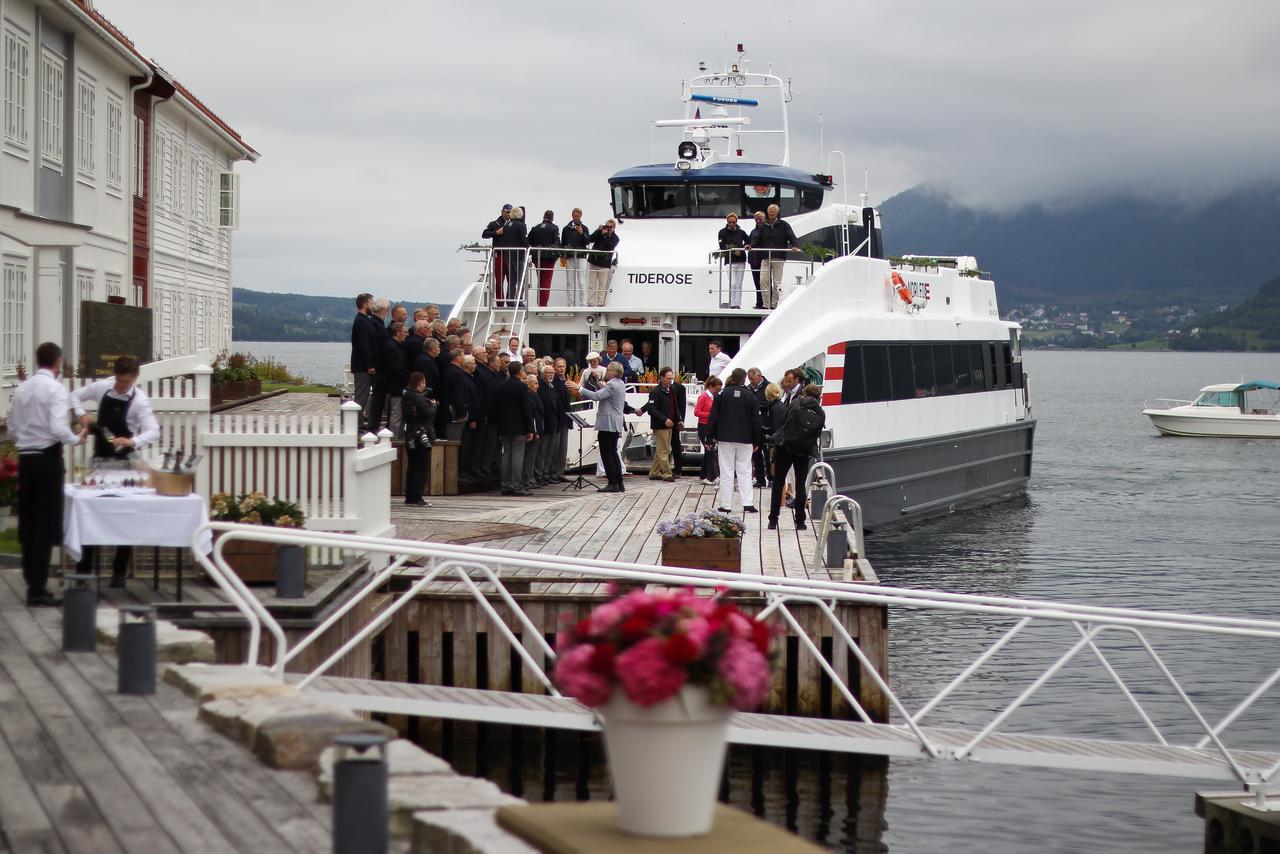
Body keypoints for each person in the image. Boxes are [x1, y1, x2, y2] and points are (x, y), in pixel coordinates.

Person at [69, 355, 160, 587]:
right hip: (100, 459)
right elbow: (73, 396)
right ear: (115, 376)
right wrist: (82, 415)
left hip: (125, 463)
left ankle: (119, 572)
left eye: (126, 383)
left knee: (126, 517)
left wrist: (131, 441)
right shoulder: (102, 388)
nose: (121, 386)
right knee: (92, 513)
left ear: (135, 379)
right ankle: (84, 569)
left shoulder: (140, 401)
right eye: (119, 381)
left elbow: (154, 432)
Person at [10, 342, 88, 606]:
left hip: (26, 458)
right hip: (46, 458)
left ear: (37, 360)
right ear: (57, 362)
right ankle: (38, 588)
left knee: (29, 520)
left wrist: (26, 438)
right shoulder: (55, 389)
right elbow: (57, 426)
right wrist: (75, 439)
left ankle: (32, 580)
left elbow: (12, 428)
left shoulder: (22, 388)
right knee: (45, 521)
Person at [768, 384, 826, 530]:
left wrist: (775, 440)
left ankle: (773, 519)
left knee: (778, 482)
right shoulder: (820, 412)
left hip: (786, 447)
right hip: (804, 451)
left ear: (805, 393)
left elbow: (784, 423)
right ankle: (800, 521)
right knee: (801, 485)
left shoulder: (795, 403)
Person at [707, 367, 762, 513]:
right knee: (744, 470)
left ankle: (726, 505)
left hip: (725, 438)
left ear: (732, 376)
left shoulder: (721, 395)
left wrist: (709, 437)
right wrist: (757, 441)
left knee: (726, 471)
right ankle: (748, 503)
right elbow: (756, 420)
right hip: (745, 439)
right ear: (744, 379)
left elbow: (713, 417)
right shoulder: (750, 396)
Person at [567, 362, 626, 492]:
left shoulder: (612, 385)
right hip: (615, 423)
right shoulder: (620, 383)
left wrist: (579, 387)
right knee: (613, 453)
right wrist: (600, 384)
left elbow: (596, 396)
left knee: (607, 453)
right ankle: (619, 482)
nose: (606, 372)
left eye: (608, 370)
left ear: (614, 372)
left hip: (608, 423)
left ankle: (612, 482)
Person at [638, 367, 685, 481]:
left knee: (663, 449)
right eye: (668, 378)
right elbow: (652, 409)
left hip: (670, 424)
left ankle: (654, 472)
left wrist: (679, 419)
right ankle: (667, 473)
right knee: (663, 450)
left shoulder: (671, 390)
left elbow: (676, 406)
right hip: (660, 425)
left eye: (671, 379)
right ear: (662, 378)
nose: (670, 381)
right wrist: (664, 419)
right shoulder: (656, 392)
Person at [495, 363, 534, 495]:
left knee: (506, 454)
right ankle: (517, 485)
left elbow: (498, 408)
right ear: (520, 371)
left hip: (504, 425)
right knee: (517, 456)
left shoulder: (501, 386)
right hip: (519, 426)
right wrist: (530, 428)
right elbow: (526, 408)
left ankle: (505, 485)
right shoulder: (522, 386)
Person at [753, 203, 801, 309]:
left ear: (777, 213)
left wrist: (795, 246)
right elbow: (756, 239)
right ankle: (766, 304)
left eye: (773, 211)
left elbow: (791, 236)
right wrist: (750, 246)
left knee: (777, 282)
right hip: (765, 257)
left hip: (778, 257)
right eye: (769, 211)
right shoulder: (763, 226)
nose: (771, 213)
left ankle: (774, 304)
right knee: (763, 280)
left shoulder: (784, 225)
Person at [401, 372, 437, 506]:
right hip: (421, 434)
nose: (425, 384)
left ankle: (409, 496)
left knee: (412, 467)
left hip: (409, 433)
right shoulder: (420, 398)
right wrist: (433, 406)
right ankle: (417, 497)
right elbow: (428, 414)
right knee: (421, 467)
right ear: (420, 383)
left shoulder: (405, 395)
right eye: (424, 382)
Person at [373, 321, 409, 437]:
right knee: (396, 413)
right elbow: (396, 368)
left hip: (393, 383)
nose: (407, 334)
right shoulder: (392, 347)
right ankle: (394, 438)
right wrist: (406, 381)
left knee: (395, 412)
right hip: (394, 384)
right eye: (404, 332)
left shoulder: (394, 345)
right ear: (398, 333)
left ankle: (396, 435)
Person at [350, 293, 377, 417]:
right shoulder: (361, 321)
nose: (373, 306)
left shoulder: (365, 320)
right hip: (362, 366)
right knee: (361, 396)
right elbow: (363, 345)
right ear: (365, 304)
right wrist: (370, 365)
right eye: (371, 303)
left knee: (364, 396)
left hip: (364, 365)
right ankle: (356, 425)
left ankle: (359, 423)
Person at [482, 204, 514, 303]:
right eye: (507, 212)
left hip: (511, 255)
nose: (508, 214)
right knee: (499, 281)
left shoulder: (515, 224)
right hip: (499, 255)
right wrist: (496, 233)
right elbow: (484, 234)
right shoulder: (495, 224)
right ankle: (500, 302)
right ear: (502, 211)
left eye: (510, 212)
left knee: (511, 281)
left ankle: (511, 301)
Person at [458, 355, 484, 479]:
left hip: (476, 416)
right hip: (470, 418)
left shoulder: (470, 378)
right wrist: (471, 419)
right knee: (467, 445)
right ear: (466, 364)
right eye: (473, 363)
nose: (475, 365)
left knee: (473, 445)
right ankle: (464, 470)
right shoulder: (463, 378)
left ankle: (471, 469)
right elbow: (466, 399)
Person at [529, 209, 561, 308]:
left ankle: (540, 302)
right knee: (546, 283)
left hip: (536, 258)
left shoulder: (535, 228)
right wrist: (556, 256)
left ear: (544, 217)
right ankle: (543, 305)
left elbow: (528, 240)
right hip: (548, 258)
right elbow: (557, 244)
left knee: (540, 282)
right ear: (552, 218)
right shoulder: (554, 228)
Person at [717, 212, 749, 309]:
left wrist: (745, 246)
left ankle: (737, 305)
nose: (731, 224)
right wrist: (734, 249)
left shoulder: (741, 232)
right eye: (730, 222)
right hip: (729, 261)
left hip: (741, 260)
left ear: (736, 222)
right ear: (727, 222)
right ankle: (732, 303)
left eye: (733, 222)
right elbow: (722, 246)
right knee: (733, 283)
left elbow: (748, 241)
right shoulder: (722, 232)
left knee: (739, 284)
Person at [693, 374, 721, 486]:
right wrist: (711, 415)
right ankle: (713, 476)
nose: (717, 392)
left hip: (710, 426)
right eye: (716, 390)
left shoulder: (714, 397)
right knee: (709, 450)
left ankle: (703, 475)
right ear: (711, 386)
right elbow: (697, 412)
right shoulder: (704, 397)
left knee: (708, 451)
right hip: (703, 426)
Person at [536, 364, 562, 485]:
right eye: (549, 373)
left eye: (552, 373)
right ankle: (539, 475)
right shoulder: (540, 386)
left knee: (550, 451)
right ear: (542, 374)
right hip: (545, 424)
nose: (552, 375)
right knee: (542, 451)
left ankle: (546, 474)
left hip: (553, 424)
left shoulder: (552, 387)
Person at [585, 219, 620, 307]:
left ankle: (600, 304)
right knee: (591, 285)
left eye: (610, 227)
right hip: (594, 262)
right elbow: (590, 239)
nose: (608, 228)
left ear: (614, 228)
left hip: (604, 265)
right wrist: (598, 230)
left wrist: (605, 235)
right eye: (606, 226)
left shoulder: (615, 238)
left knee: (602, 286)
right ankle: (590, 303)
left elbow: (610, 246)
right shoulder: (600, 233)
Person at [561, 207, 591, 306]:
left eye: (578, 216)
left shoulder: (585, 228)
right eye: (575, 215)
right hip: (569, 257)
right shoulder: (566, 229)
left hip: (581, 257)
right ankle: (570, 304)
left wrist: (582, 234)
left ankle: (583, 304)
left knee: (581, 280)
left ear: (581, 216)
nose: (576, 217)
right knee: (570, 281)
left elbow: (587, 242)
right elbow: (563, 243)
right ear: (572, 215)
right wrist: (562, 256)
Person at [746, 367, 770, 488]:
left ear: (759, 376)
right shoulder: (749, 389)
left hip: (766, 424)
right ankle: (760, 479)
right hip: (754, 426)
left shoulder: (768, 386)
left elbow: (770, 402)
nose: (751, 381)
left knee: (768, 454)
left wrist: (757, 406)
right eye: (749, 379)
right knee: (756, 453)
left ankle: (771, 478)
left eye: (753, 379)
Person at [522, 373, 545, 490]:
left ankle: (530, 477)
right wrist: (533, 431)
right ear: (528, 384)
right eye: (535, 383)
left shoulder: (535, 395)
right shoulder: (527, 396)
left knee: (533, 456)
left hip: (538, 428)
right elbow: (531, 415)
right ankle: (527, 477)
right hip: (532, 429)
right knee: (529, 456)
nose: (537, 386)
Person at [552, 358, 572, 482]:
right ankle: (553, 473)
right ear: (554, 367)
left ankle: (560, 472)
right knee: (555, 448)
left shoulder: (565, 381)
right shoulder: (553, 382)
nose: (561, 369)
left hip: (565, 418)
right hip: (556, 419)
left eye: (563, 366)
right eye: (559, 366)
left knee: (563, 447)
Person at [747, 211, 767, 309]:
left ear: (764, 219)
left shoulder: (766, 230)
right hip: (753, 261)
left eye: (760, 218)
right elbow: (749, 241)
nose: (758, 220)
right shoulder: (753, 231)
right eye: (756, 219)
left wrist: (751, 245)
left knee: (764, 282)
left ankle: (766, 303)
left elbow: (756, 242)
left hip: (763, 260)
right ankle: (759, 303)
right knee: (757, 283)